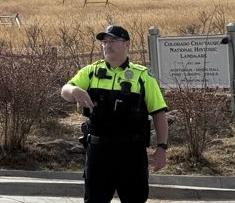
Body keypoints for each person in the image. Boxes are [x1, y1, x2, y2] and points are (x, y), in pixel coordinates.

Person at [61, 25, 169, 203]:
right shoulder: (91, 72)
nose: (107, 45)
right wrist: (74, 90)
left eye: (113, 40)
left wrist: (161, 148)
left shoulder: (142, 76)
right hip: (99, 152)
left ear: (127, 44)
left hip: (131, 153)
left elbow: (159, 113)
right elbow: (65, 90)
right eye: (104, 41)